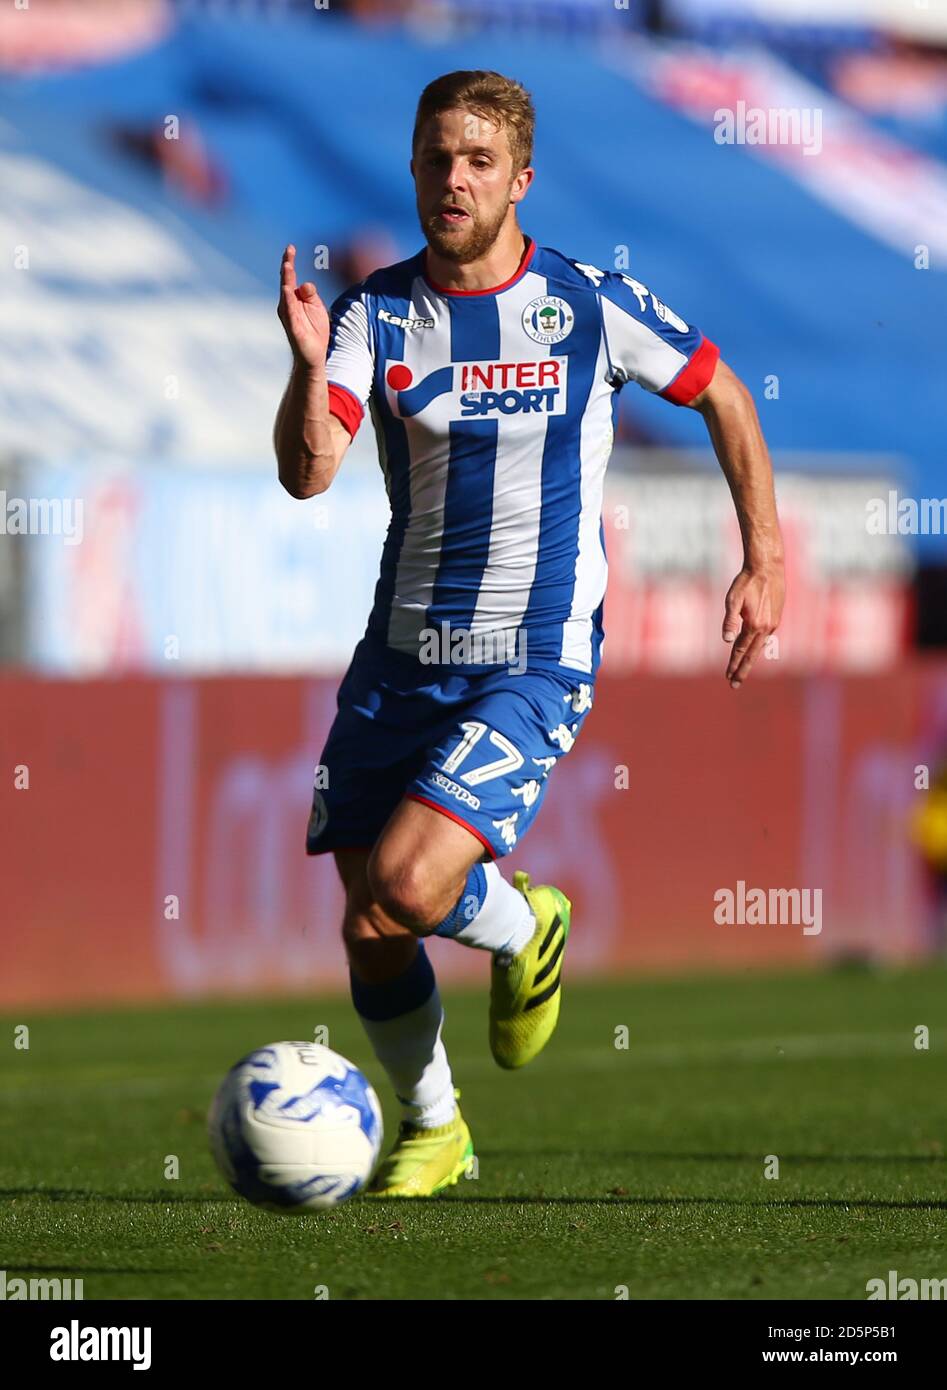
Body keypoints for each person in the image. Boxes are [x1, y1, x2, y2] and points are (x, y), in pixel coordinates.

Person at [274, 69, 785, 1196]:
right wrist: (308, 371)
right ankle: (437, 1128)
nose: (450, 180)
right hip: (398, 657)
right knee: (368, 920)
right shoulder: (374, 311)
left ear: (520, 179)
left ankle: (522, 928)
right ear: (410, 165)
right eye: (433, 157)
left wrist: (764, 558)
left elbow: (724, 396)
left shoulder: (587, 304)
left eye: (475, 161)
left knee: (406, 885)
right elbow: (310, 471)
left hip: (529, 658)